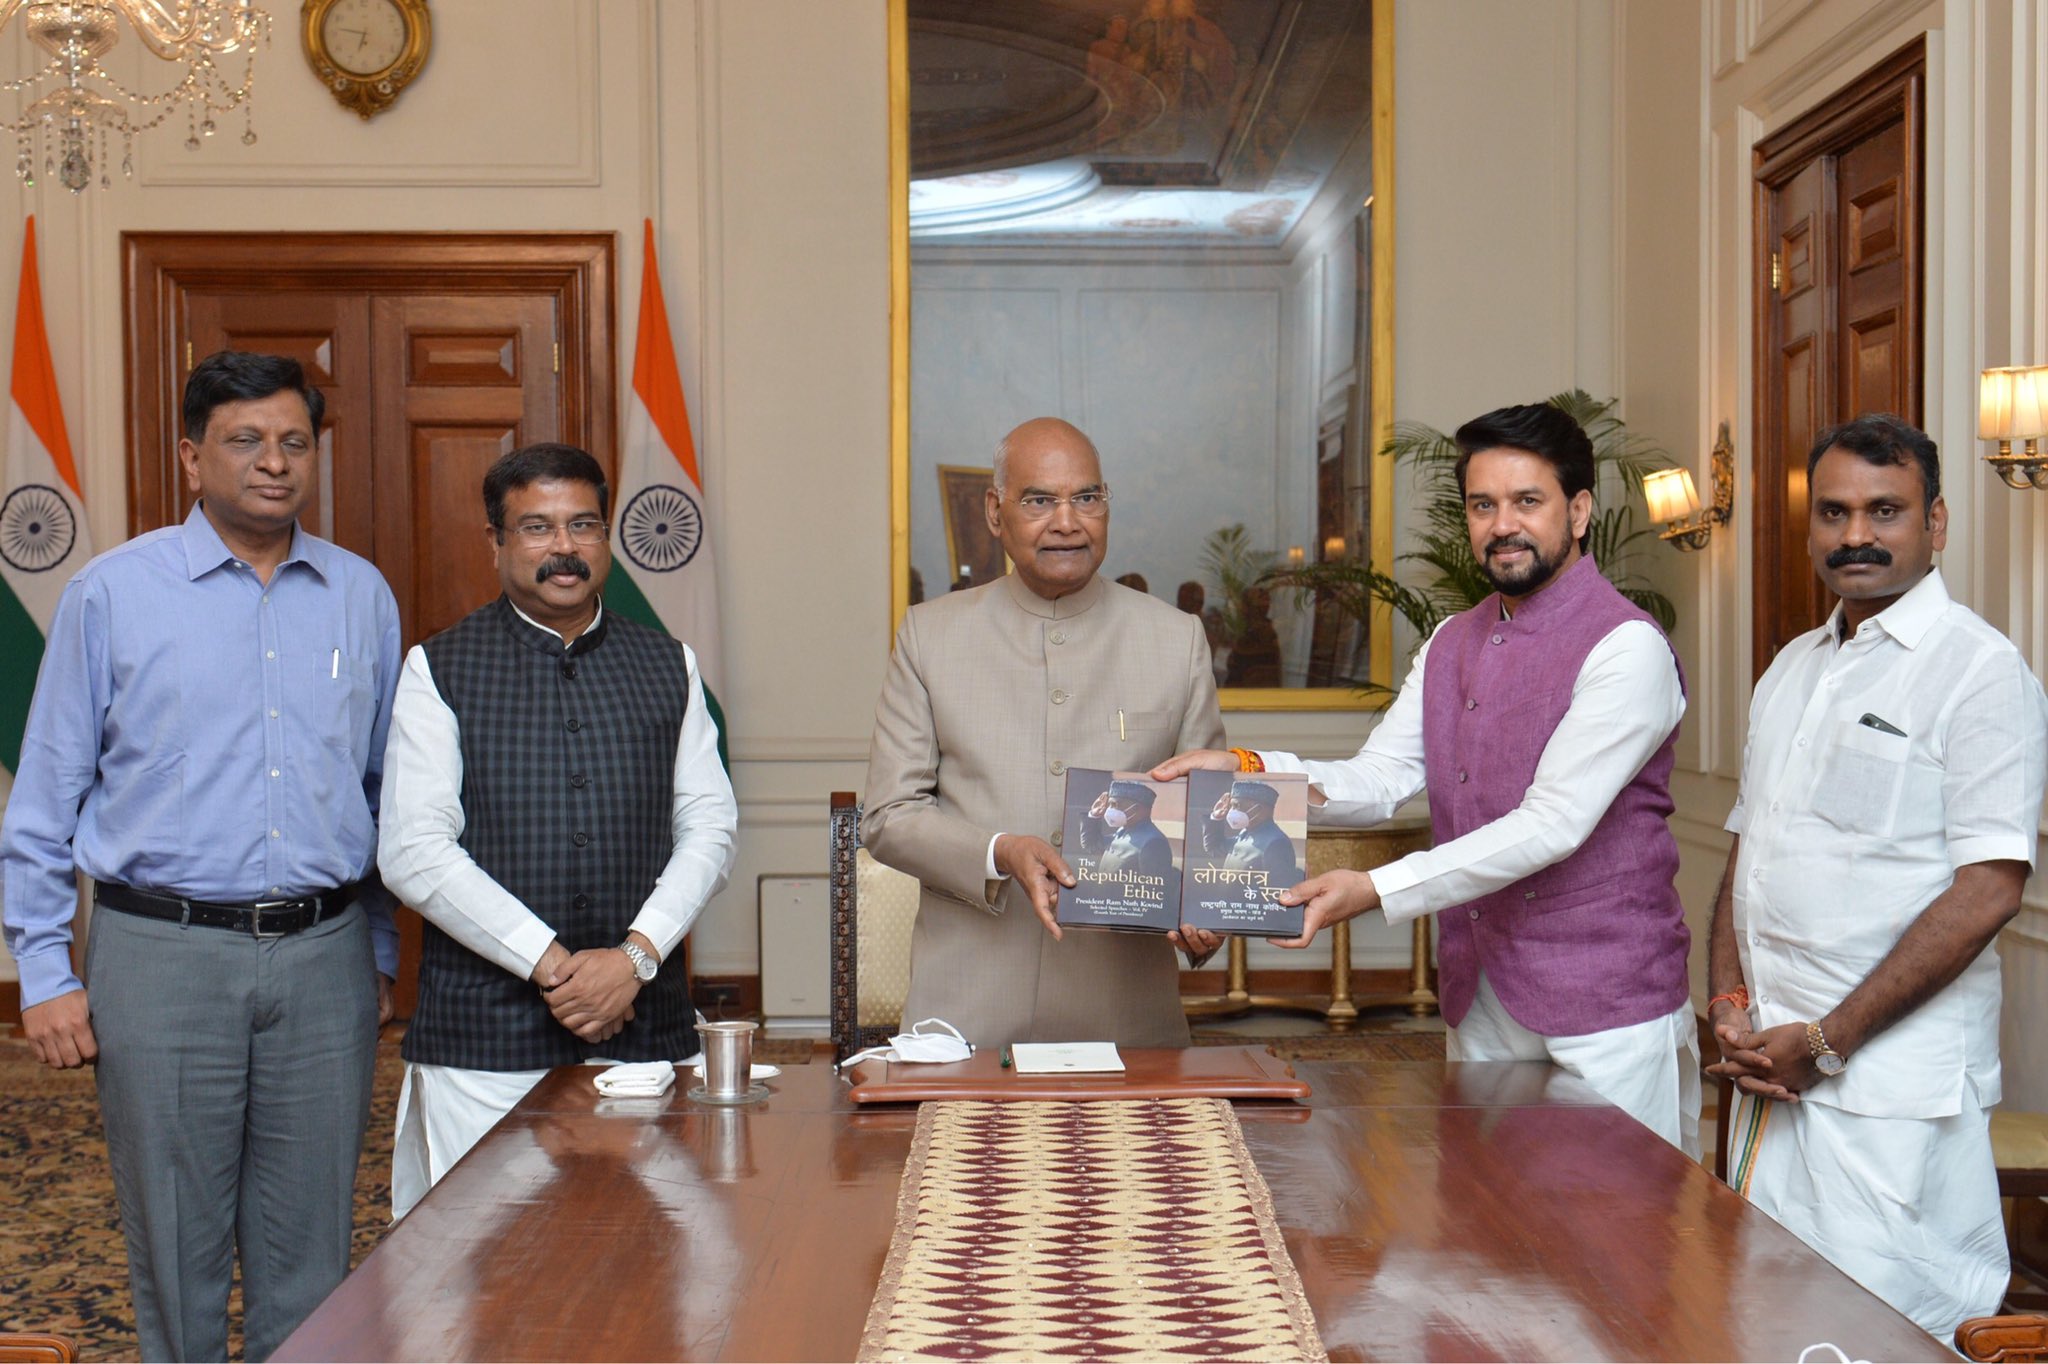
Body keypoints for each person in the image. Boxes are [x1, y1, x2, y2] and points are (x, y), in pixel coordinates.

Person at [1156, 402, 1698, 1153]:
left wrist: (1375, 890)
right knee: (1492, 1228)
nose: (1501, 524)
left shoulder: (1626, 646)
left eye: (1526, 501)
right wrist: (1248, 769)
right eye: (1483, 505)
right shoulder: (1452, 639)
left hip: (1606, 1002)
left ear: (1578, 512)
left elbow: (1553, 824)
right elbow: (1380, 777)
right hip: (1480, 998)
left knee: (1612, 1238)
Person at [0, 351, 400, 1361]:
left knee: (311, 1240)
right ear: (191, 457)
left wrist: (380, 953)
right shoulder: (112, 593)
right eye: (245, 440)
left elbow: (385, 794)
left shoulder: (360, 595)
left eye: (293, 442)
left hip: (324, 960)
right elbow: (43, 801)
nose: (275, 462)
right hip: (160, 956)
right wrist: (44, 972)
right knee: (174, 1243)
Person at [1706, 414, 2046, 1337]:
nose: (1855, 535)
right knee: (1764, 1320)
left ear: (1935, 524)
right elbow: (1750, 852)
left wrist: (1828, 1043)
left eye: (1884, 510)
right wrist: (1730, 1000)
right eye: (1834, 512)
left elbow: (1989, 890)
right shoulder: (1790, 668)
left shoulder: (1979, 674)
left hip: (1889, 1092)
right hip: (1769, 1074)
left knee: (1891, 1332)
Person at [377, 442, 736, 1219]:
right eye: (537, 528)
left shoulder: (666, 663)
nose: (564, 548)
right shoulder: (438, 668)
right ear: (497, 543)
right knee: (479, 1290)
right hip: (483, 1046)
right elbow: (413, 851)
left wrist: (634, 960)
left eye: (583, 526)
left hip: (645, 1035)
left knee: (646, 1271)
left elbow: (709, 825)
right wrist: (556, 968)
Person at [862, 416, 1225, 1048]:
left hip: (1126, 1017)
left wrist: (1208, 910)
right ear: (995, 512)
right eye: (1039, 500)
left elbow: (1210, 823)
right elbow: (889, 817)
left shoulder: (1175, 640)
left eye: (1087, 498)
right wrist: (999, 851)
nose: (1067, 521)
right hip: (964, 1015)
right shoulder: (930, 637)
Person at [1198, 778, 1299, 881]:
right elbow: (1214, 848)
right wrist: (1216, 818)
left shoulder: (1276, 843)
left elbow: (1278, 888)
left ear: (1258, 809)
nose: (1231, 811)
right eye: (1231, 806)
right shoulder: (1245, 833)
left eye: (1236, 805)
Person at [1079, 779, 1173, 881]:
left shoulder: (1153, 843)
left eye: (1114, 805)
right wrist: (1093, 815)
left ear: (1136, 808)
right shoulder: (1123, 831)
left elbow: (1153, 889)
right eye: (1109, 805)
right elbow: (1092, 845)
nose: (1109, 809)